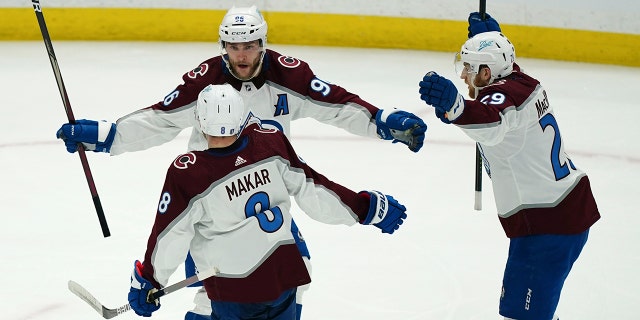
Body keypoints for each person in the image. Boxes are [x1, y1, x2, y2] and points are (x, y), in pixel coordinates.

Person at [55, 5, 426, 320]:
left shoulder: (288, 75)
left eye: (250, 46)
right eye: (234, 47)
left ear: (263, 44)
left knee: (290, 273)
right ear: (223, 47)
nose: (243, 55)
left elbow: (338, 106)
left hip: (265, 180)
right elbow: (161, 118)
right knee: (229, 284)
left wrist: (381, 121)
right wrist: (109, 135)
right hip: (215, 199)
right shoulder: (206, 80)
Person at [126, 84, 407, 320]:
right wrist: (365, 208)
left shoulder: (189, 172)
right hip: (284, 278)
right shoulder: (269, 142)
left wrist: (149, 279)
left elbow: (171, 234)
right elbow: (315, 189)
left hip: (235, 290)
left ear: (199, 121)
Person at [417, 13, 600, 320]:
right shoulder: (523, 82)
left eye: (469, 68)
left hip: (548, 226)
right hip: (562, 213)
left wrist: (455, 107)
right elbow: (503, 91)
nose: (463, 76)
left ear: (487, 72)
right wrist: (492, 39)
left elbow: (491, 122)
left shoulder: (504, 100)